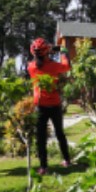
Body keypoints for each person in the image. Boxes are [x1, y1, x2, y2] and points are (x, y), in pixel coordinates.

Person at [27, 38, 71, 175]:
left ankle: (43, 167)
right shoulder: (54, 66)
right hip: (55, 104)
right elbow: (67, 66)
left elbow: (40, 60)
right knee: (60, 133)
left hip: (40, 105)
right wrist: (63, 52)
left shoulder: (31, 67)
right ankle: (67, 160)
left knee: (41, 137)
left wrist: (48, 51)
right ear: (47, 52)